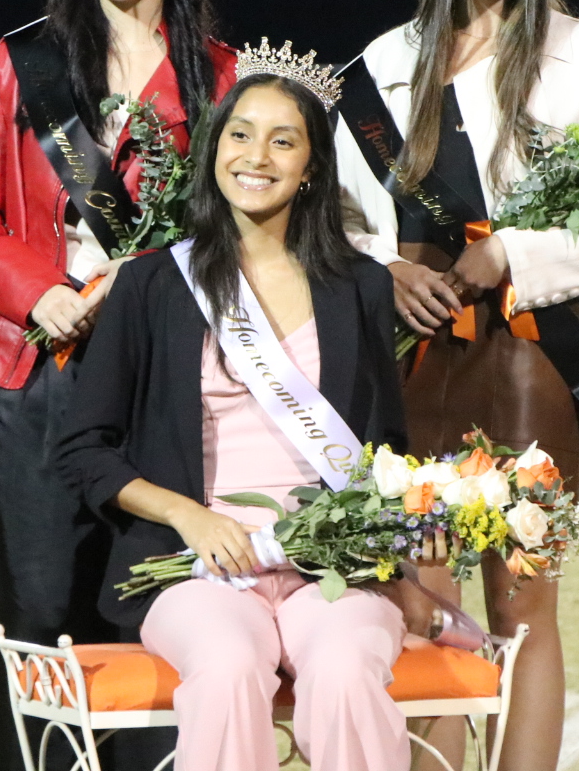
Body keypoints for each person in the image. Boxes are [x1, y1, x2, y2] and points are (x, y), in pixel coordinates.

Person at [334, 0, 579, 771]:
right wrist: (380, 272)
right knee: (422, 600)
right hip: (409, 354)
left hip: (529, 355)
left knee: (522, 606)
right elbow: (335, 214)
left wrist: (512, 253)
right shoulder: (385, 60)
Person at [0, 0, 236, 771]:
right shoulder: (22, 61)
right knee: (35, 615)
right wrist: (42, 295)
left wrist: (130, 282)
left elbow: (239, 224)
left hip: (160, 385)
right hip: (36, 373)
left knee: (147, 606)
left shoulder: (221, 77)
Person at [56, 61, 413, 771]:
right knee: (224, 664)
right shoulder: (152, 284)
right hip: (196, 568)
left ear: (312, 166)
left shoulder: (363, 286)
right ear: (214, 150)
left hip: (328, 569)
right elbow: (83, 449)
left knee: (346, 669)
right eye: (241, 135)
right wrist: (190, 516)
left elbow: (386, 449)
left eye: (284, 142)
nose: (257, 156)